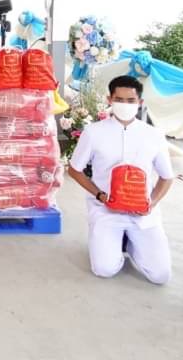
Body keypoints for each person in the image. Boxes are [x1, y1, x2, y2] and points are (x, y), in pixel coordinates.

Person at [67, 75, 175, 285]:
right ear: (110, 100)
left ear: (140, 103)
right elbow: (74, 170)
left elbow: (167, 177)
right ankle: (110, 241)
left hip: (143, 214)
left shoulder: (153, 135)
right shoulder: (94, 132)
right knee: (104, 269)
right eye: (119, 99)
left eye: (130, 101)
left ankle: (132, 245)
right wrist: (100, 195)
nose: (124, 105)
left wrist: (150, 203)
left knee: (161, 276)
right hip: (106, 210)